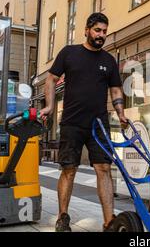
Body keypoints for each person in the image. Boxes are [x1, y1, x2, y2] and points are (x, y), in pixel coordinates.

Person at [40, 13, 127, 232]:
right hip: (72, 122)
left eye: (105, 31)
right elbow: (50, 78)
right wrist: (50, 107)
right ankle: (63, 217)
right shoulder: (70, 53)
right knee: (69, 169)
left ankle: (109, 223)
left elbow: (115, 89)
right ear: (87, 30)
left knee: (104, 168)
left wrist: (121, 112)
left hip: (99, 124)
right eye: (98, 30)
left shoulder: (108, 60)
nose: (102, 35)